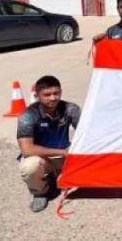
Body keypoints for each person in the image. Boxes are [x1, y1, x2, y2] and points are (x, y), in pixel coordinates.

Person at [17, 75, 81, 212]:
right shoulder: (27, 115)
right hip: (42, 158)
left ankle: (59, 174)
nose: (53, 98)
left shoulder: (71, 109)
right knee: (29, 167)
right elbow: (27, 149)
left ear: (61, 92)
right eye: (47, 94)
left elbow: (85, 133)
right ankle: (39, 192)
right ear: (37, 95)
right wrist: (62, 152)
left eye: (56, 93)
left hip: (65, 155)